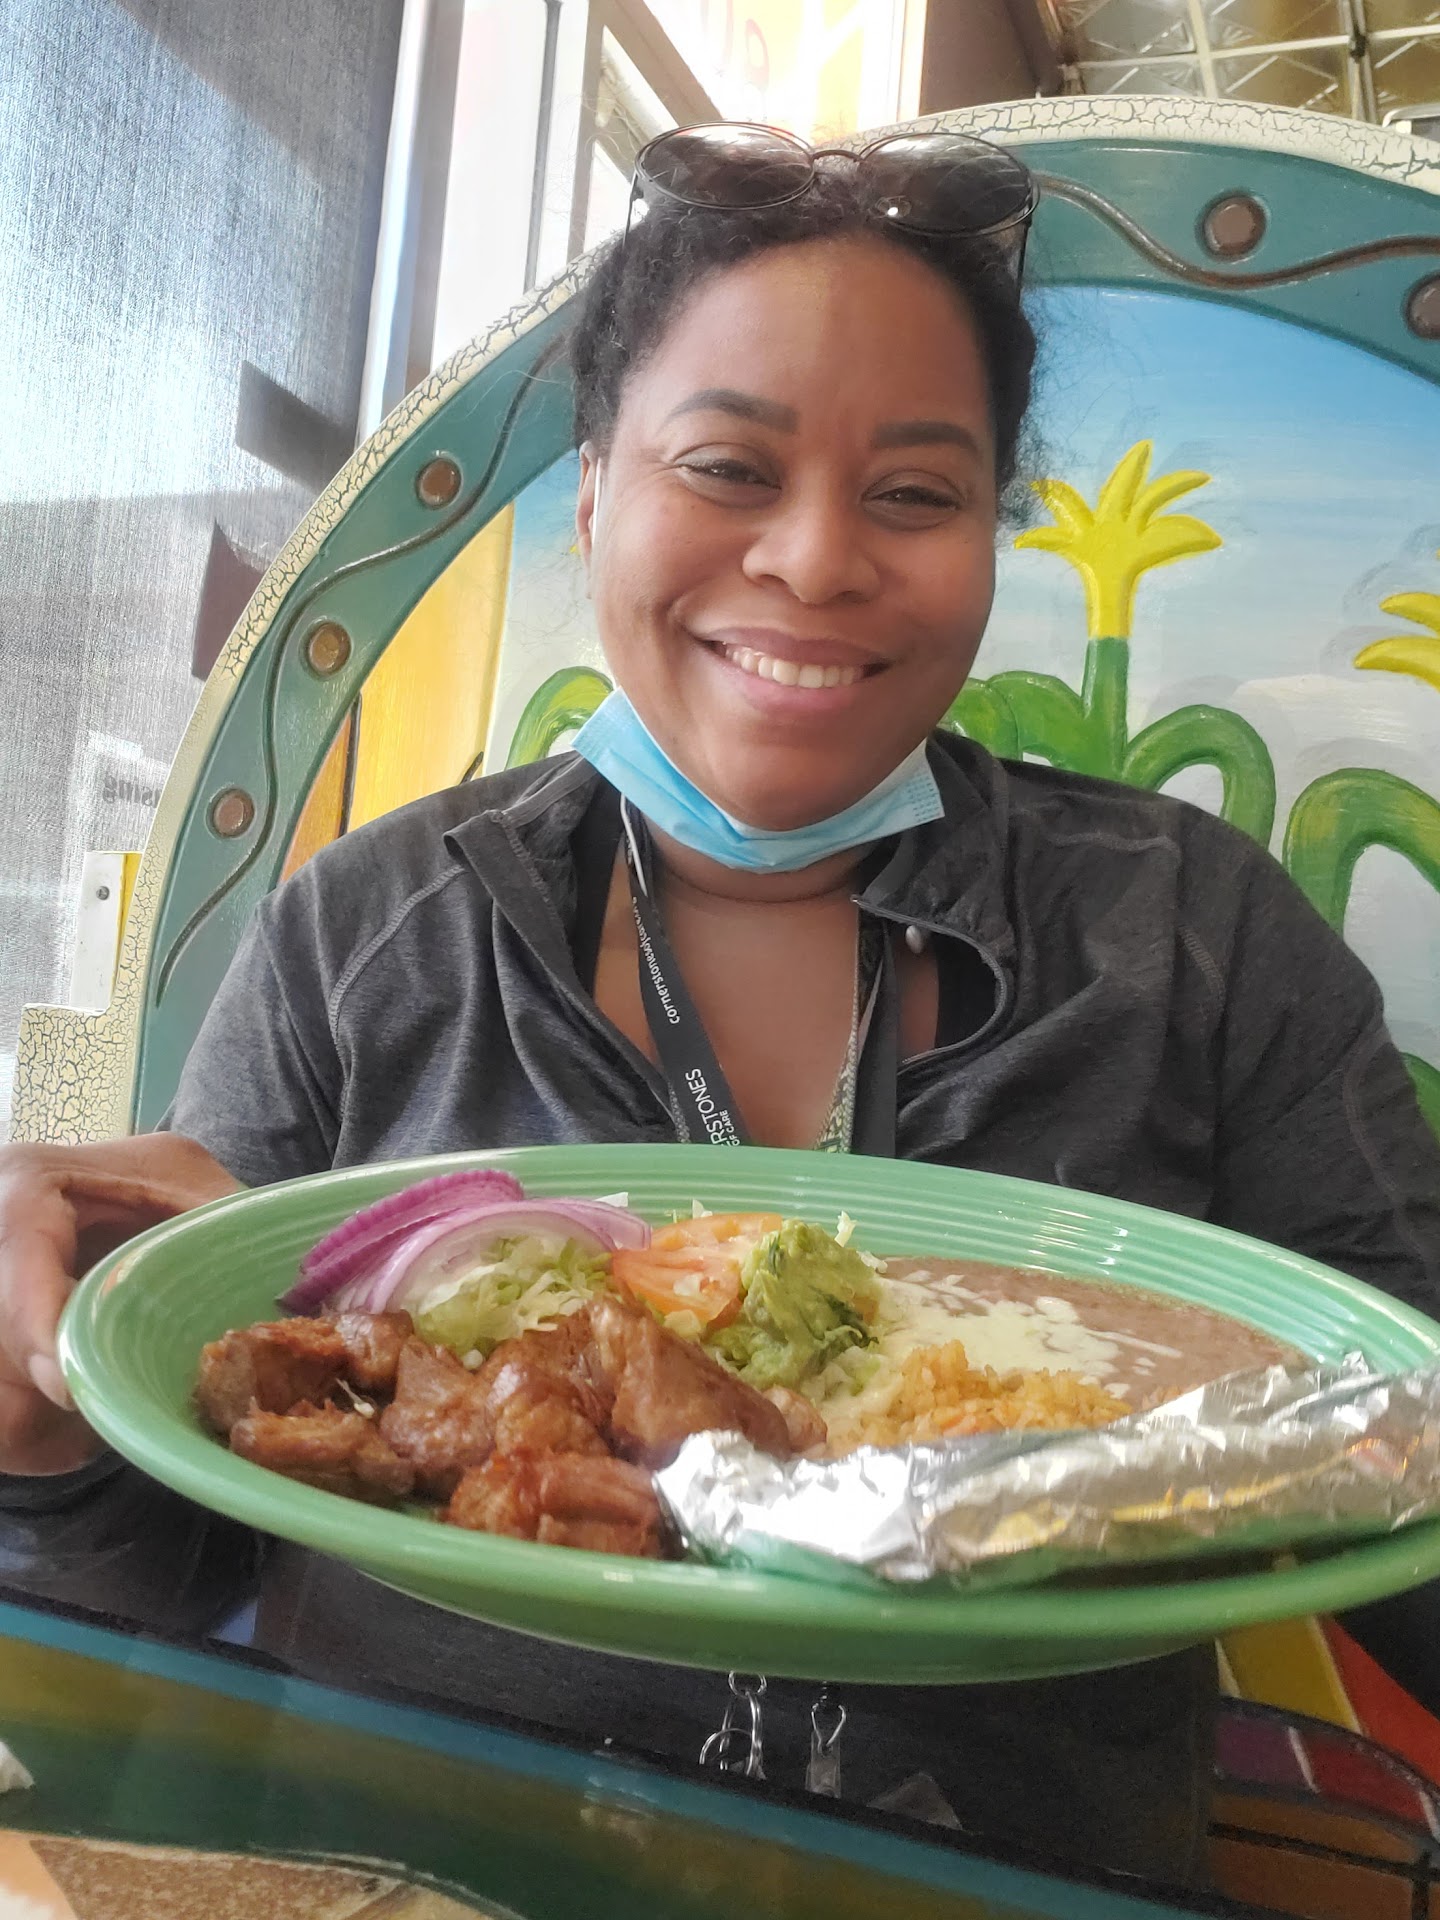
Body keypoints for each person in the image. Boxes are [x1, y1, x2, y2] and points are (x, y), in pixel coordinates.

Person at [2, 124, 1438, 1884]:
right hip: (416, 1872)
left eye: (915, 494)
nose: (816, 561)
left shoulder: (1194, 936)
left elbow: (1409, 1460)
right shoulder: (369, 931)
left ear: (994, 533)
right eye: (729, 468)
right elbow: (166, 1564)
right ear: (595, 492)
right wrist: (40, 1428)